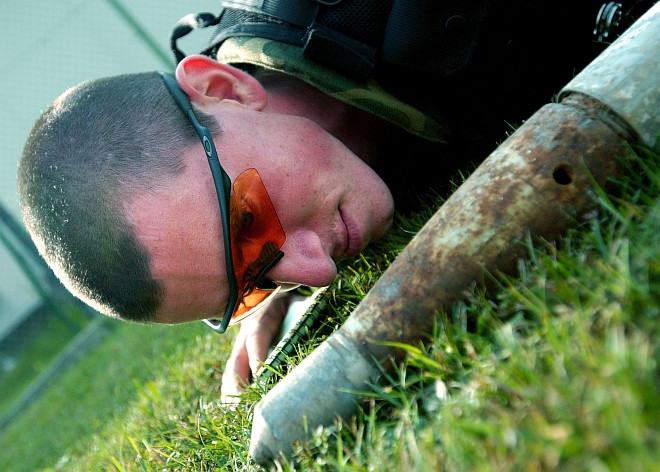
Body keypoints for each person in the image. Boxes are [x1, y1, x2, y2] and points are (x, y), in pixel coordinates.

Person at [17, 1, 617, 401]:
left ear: (224, 88)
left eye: (250, 224)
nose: (317, 270)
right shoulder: (281, 162)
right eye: (254, 280)